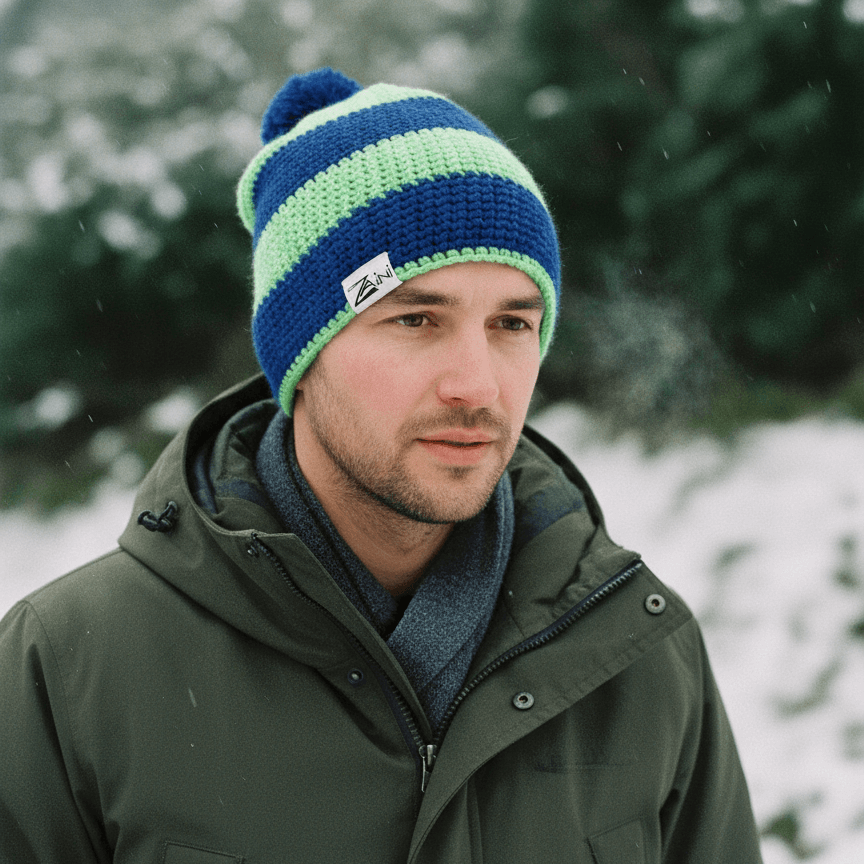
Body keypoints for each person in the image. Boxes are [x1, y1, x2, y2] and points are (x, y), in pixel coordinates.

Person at [0, 68, 762, 863]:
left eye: (511, 322)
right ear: (302, 352)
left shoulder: (639, 660)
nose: (476, 385)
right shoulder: (68, 672)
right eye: (415, 318)